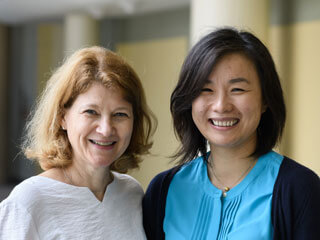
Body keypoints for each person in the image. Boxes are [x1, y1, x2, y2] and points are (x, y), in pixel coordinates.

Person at [143, 27, 320, 240]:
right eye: (206, 90)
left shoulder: (300, 188)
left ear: (265, 99)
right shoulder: (163, 189)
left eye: (237, 90)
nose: (221, 105)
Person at [0, 46, 156, 239]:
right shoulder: (28, 202)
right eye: (91, 112)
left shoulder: (131, 193)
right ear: (62, 117)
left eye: (120, 114)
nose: (106, 129)